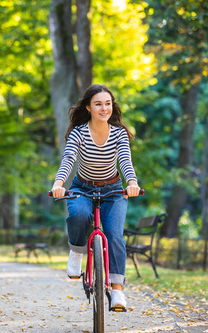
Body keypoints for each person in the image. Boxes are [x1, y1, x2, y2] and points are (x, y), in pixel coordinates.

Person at [51, 84, 140, 309]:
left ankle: (117, 291)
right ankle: (76, 250)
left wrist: (132, 183)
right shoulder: (79, 133)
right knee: (79, 214)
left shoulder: (119, 133)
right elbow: (69, 158)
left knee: (114, 235)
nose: (104, 108)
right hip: (83, 187)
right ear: (89, 107)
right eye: (98, 104)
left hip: (113, 189)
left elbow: (125, 162)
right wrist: (58, 183)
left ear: (112, 106)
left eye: (107, 103)